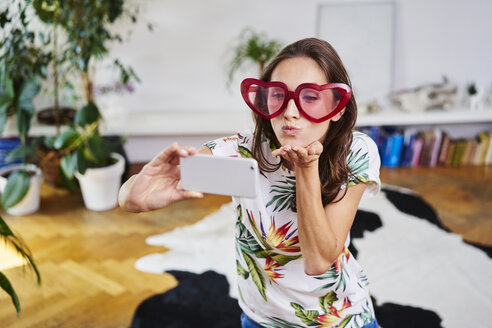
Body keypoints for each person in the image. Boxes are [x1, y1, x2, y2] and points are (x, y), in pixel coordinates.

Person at [119, 38, 381, 328]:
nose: (290, 112)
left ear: (338, 107)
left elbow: (318, 261)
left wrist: (306, 170)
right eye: (279, 95)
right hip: (261, 318)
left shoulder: (356, 151)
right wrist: (135, 193)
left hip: (340, 318)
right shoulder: (244, 149)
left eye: (310, 97)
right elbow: (132, 197)